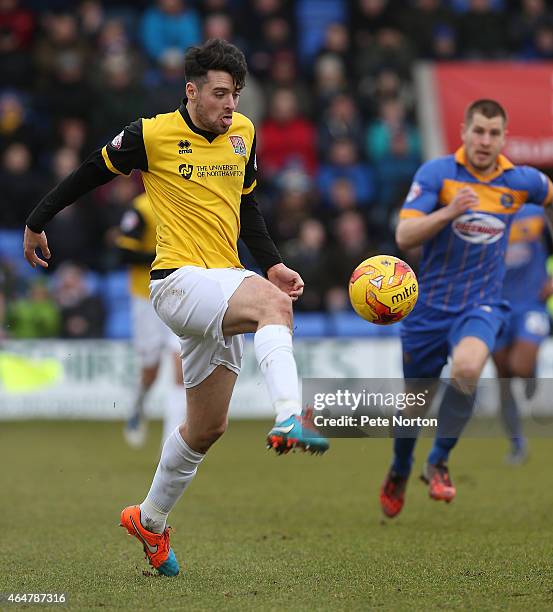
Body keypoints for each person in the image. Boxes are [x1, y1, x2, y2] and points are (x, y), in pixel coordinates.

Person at [23, 39, 328, 577]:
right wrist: (37, 220)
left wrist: (273, 261)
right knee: (275, 307)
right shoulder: (153, 133)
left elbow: (246, 203)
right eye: (218, 94)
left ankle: (150, 520)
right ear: (191, 92)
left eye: (234, 94)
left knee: (206, 427)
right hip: (178, 282)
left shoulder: (244, 134)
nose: (229, 104)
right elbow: (91, 171)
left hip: (226, 281)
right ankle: (290, 415)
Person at [380, 99, 553, 519]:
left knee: (469, 368)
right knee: (415, 404)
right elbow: (405, 234)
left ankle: (438, 461)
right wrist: (449, 212)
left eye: (494, 133)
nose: (485, 141)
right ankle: (401, 467)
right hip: (429, 309)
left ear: (503, 137)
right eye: (479, 131)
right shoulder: (438, 174)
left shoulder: (521, 180)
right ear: (464, 131)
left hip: (482, 304)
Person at [117, 191, 186, 448]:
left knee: (181, 368)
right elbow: (123, 253)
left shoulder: (186, 201)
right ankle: (138, 405)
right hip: (146, 298)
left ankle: (170, 445)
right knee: (151, 369)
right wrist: (164, 257)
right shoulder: (142, 209)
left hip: (180, 296)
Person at [493, 203, 552, 464]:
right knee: (503, 377)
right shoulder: (483, 215)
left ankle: (531, 372)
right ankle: (517, 443)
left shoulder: (536, 214)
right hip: (495, 306)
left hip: (531, 304)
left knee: (519, 365)